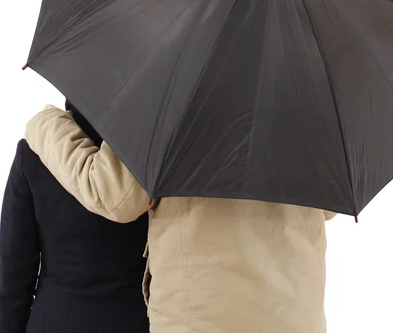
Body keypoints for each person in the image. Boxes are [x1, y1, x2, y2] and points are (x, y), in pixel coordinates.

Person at [25, 104, 337, 333]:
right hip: (297, 315)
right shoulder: (310, 92)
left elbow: (115, 195)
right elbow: (328, 205)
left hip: (201, 317)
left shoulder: (173, 86)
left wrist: (44, 124)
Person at [0, 101, 149, 333]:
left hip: (53, 320)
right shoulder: (151, 156)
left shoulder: (34, 153)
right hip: (136, 320)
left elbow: (14, 271)